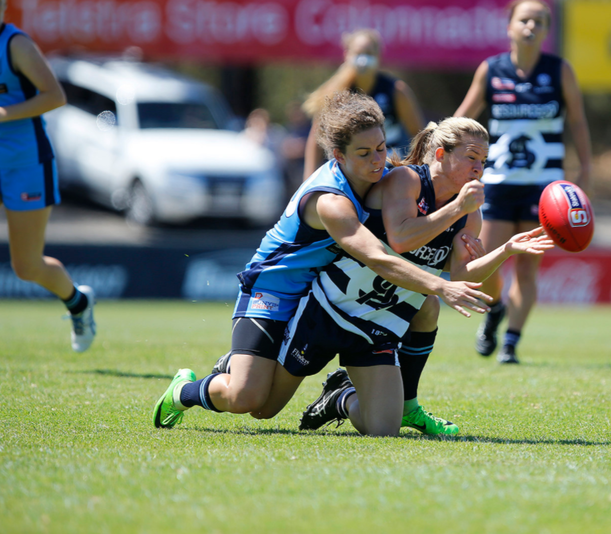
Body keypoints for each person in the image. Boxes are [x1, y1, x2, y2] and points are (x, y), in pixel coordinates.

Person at [152, 92, 491, 429]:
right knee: (250, 401)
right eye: (364, 153)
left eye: (381, 148)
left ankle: (341, 395)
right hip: (274, 289)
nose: (377, 160)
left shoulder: (382, 178)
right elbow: (377, 256)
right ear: (338, 155)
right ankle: (185, 390)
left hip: (318, 290)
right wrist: (440, 286)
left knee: (420, 318)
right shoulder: (331, 200)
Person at [294, 117, 554, 436]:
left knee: (426, 309)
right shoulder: (407, 180)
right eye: (471, 158)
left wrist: (506, 251)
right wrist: (457, 208)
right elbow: (402, 237)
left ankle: (370, 402)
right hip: (337, 299)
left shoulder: (470, 211)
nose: (479, 168)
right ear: (442, 155)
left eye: (484, 161)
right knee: (260, 402)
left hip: (386, 310)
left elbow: (460, 275)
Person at [455, 0, 592, 364]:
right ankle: (496, 308)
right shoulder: (492, 70)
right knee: (484, 261)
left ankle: (511, 342)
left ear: (547, 30)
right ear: (510, 26)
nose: (531, 26)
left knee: (528, 268)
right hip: (498, 183)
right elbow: (463, 118)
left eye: (539, 21)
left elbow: (577, 121)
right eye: (524, 19)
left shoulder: (559, 70)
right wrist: (447, 154)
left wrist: (586, 167)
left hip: (545, 189)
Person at [0, 7, 96, 352]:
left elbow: (55, 96)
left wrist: (4, 113)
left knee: (26, 266)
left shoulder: (16, 45)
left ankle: (78, 303)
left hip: (25, 163)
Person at [302, 28, 425, 179]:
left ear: (378, 56)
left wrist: (421, 174)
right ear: (347, 54)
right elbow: (315, 139)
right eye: (358, 53)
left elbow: (420, 135)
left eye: (369, 53)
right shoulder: (335, 93)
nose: (363, 59)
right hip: (347, 175)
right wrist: (308, 181)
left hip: (387, 173)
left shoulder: (396, 91)